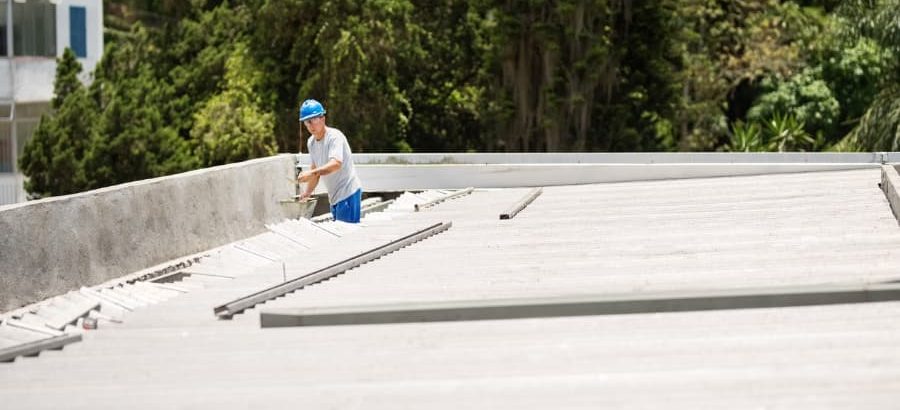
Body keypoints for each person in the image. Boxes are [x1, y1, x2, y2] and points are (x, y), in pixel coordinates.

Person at [297, 99, 363, 223]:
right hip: (334, 197)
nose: (310, 125)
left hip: (348, 193)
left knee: (347, 237)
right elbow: (315, 170)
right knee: (341, 236)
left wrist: (311, 174)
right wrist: (307, 193)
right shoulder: (311, 142)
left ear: (322, 119)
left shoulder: (334, 137)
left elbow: (336, 164)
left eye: (313, 120)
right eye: (307, 122)